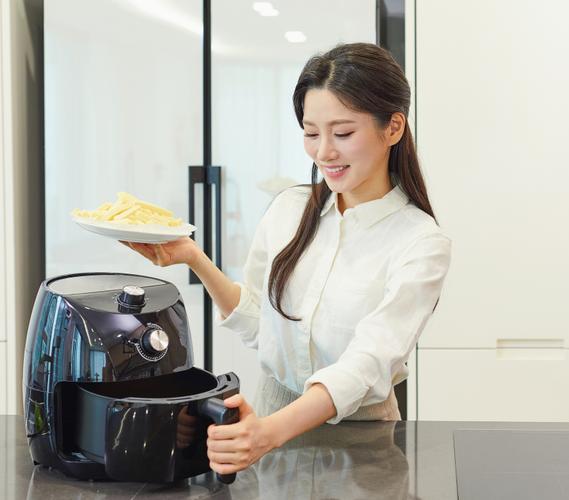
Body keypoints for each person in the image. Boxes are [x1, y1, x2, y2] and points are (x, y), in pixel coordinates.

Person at [124, 42, 451, 475]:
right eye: (311, 133)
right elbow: (261, 324)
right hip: (270, 423)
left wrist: (269, 433)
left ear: (393, 128)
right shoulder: (289, 210)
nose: (323, 152)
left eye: (343, 133)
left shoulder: (420, 241)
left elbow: (368, 361)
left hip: (361, 444)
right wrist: (192, 258)